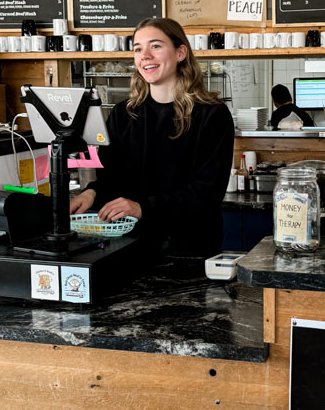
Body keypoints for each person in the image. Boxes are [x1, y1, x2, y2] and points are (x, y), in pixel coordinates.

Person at [70, 17, 234, 258]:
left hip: (190, 249)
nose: (144, 55)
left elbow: (207, 192)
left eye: (155, 46)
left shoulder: (212, 115)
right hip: (130, 245)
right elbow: (111, 176)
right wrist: (92, 192)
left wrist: (142, 208)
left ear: (180, 53)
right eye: (138, 49)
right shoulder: (123, 114)